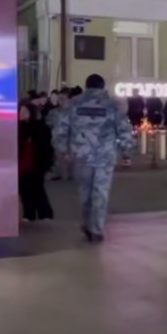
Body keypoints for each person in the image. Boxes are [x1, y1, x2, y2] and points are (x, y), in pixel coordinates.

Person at [52, 74, 134, 243]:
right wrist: (127, 152)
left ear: (86, 86)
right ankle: (97, 229)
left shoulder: (73, 104)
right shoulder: (112, 105)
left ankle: (85, 223)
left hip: (81, 156)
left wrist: (64, 150)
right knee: (101, 193)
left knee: (84, 193)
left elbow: (60, 130)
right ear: (103, 87)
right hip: (105, 157)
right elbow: (124, 131)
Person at [18, 102, 55, 221]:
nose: (21, 114)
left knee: (36, 188)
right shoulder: (19, 128)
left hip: (36, 163)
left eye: (24, 111)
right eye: (20, 111)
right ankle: (29, 214)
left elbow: (45, 147)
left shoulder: (40, 128)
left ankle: (44, 213)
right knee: (24, 190)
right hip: (22, 163)